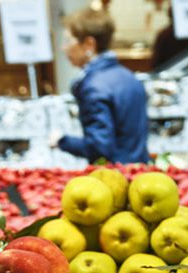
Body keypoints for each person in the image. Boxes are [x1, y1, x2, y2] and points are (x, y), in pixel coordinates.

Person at [52, 7, 150, 165]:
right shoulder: (128, 76)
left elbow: (100, 148)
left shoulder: (93, 86)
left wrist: (62, 141)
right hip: (139, 172)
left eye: (69, 41)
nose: (64, 48)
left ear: (89, 44)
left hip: (114, 179)